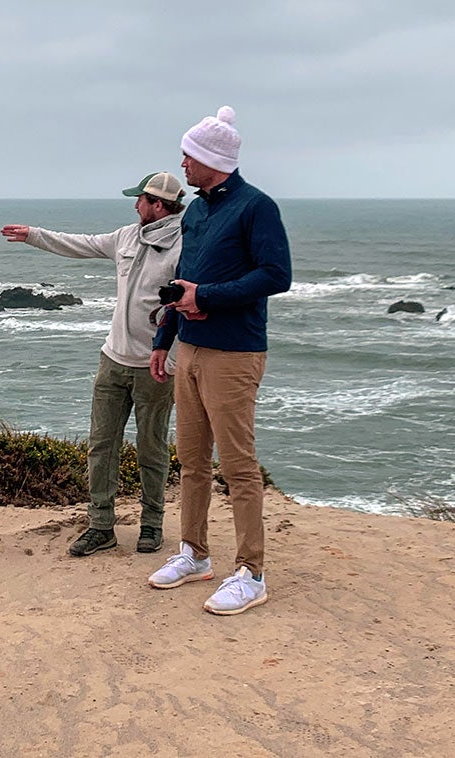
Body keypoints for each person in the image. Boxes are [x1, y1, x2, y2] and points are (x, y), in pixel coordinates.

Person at [146, 106, 292, 615]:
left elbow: (277, 275)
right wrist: (164, 337)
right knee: (190, 460)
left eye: (189, 155)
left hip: (235, 352)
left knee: (237, 466)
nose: (182, 163)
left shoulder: (256, 207)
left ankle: (251, 573)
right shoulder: (197, 211)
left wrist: (206, 296)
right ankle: (194, 554)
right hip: (188, 348)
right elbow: (182, 279)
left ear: (212, 158)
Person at [0, 172, 186, 557]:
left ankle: (152, 525)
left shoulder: (186, 244)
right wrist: (33, 235)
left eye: (140, 199)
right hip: (112, 360)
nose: (134, 205)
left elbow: (188, 305)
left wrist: (172, 357)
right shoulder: (125, 237)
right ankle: (101, 526)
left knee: (151, 449)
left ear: (158, 204)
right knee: (101, 446)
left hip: (156, 366)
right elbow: (80, 244)